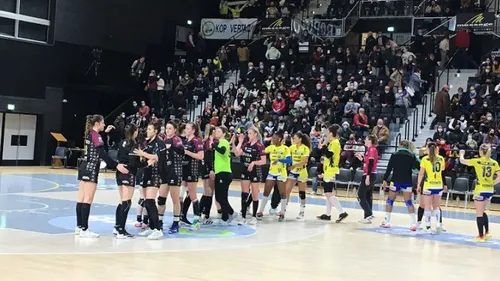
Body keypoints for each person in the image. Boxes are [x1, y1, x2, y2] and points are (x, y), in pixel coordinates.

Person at [76, 115, 129, 238]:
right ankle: (85, 229)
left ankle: (79, 227)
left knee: (81, 198)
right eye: (103, 123)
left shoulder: (90, 134)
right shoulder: (96, 136)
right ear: (98, 123)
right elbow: (102, 154)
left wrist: (104, 134)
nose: (104, 124)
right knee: (88, 199)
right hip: (91, 169)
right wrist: (116, 165)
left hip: (83, 167)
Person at [459, 145, 500, 242]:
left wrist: (461, 154)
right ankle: (487, 232)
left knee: (479, 214)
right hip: (489, 189)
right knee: (483, 211)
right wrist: (492, 183)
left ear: (481, 151)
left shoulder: (477, 161)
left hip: (480, 189)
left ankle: (480, 236)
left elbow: (462, 161)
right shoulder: (494, 163)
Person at [133, 121, 166, 240]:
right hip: (146, 173)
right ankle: (152, 228)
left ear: (156, 131)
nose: (148, 131)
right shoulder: (147, 142)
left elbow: (157, 157)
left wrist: (143, 154)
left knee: (151, 201)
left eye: (150, 129)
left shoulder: (160, 143)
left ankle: (157, 229)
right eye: (147, 129)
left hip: (155, 174)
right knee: (146, 201)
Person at [380, 140, 420, 230]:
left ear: (401, 145)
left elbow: (389, 168)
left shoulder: (394, 155)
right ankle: (413, 223)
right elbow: (417, 168)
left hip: (395, 180)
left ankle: (387, 221)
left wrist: (385, 179)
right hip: (407, 181)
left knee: (390, 200)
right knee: (408, 201)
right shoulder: (412, 156)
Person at [232, 126, 267, 225]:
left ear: (255, 134)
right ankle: (243, 216)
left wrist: (254, 163)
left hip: (255, 171)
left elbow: (263, 161)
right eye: (248, 133)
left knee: (255, 194)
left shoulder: (260, 146)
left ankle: (254, 216)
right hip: (245, 170)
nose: (249, 135)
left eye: (250, 133)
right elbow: (237, 154)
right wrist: (234, 143)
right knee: (244, 194)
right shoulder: (246, 144)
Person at [113, 124, 143, 238]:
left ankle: (117, 227)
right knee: (127, 202)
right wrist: (146, 163)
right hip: (128, 173)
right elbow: (134, 163)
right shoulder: (134, 144)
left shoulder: (122, 142)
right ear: (134, 132)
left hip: (119, 173)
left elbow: (119, 157)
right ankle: (121, 230)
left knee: (122, 201)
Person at [316, 125, 348, 222]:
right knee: (328, 193)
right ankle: (327, 214)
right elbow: (324, 153)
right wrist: (322, 146)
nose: (326, 134)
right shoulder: (332, 143)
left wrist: (324, 144)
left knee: (328, 192)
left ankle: (342, 212)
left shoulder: (335, 143)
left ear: (331, 133)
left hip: (331, 170)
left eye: (327, 132)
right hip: (328, 170)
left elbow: (329, 154)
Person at [258, 131, 290, 222]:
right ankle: (260, 211)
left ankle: (282, 213)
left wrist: (279, 160)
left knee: (282, 193)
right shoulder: (271, 147)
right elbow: (262, 151)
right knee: (266, 192)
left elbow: (289, 160)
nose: (273, 139)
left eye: (274, 138)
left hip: (281, 173)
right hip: (271, 172)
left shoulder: (285, 148)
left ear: (279, 139)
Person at [161, 121, 185, 234]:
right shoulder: (164, 140)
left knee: (175, 199)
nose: (168, 130)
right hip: (164, 173)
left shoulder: (177, 140)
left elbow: (182, 151)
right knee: (161, 199)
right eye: (167, 128)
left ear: (175, 130)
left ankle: (176, 223)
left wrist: (171, 148)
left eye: (170, 128)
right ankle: (159, 221)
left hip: (174, 172)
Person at [417, 142, 446, 233]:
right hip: (438, 185)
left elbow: (421, 173)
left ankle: (428, 227)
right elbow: (442, 171)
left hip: (428, 185)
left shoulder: (425, 159)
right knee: (436, 207)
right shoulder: (441, 158)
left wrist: (418, 185)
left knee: (428, 207)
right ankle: (437, 224)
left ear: (428, 149)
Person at [181, 122, 205, 230]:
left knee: (192, 195)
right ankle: (181, 217)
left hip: (192, 170)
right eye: (185, 128)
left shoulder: (197, 141)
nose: (186, 130)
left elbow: (201, 156)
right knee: (181, 194)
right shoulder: (185, 141)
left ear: (193, 130)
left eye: (188, 128)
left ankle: (196, 221)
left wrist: (187, 152)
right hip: (183, 170)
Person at [213, 126, 237, 225]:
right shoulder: (220, 142)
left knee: (222, 196)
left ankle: (225, 217)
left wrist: (214, 146)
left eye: (218, 131)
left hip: (224, 172)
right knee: (218, 197)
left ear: (223, 133)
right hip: (219, 172)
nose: (216, 132)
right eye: (216, 131)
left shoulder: (224, 142)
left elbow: (222, 151)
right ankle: (231, 212)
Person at [285, 132, 312, 219]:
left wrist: (294, 165)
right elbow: (286, 154)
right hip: (293, 172)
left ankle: (302, 211)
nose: (293, 140)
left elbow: (305, 161)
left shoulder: (305, 148)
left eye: (295, 138)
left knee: (301, 192)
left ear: (300, 139)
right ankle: (283, 209)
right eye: (293, 138)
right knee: (287, 190)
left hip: (302, 172)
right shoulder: (292, 147)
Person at [200, 125, 221, 224]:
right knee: (209, 192)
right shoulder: (210, 142)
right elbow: (209, 157)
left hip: (205, 168)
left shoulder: (205, 141)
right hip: (209, 169)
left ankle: (200, 214)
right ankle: (205, 215)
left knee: (207, 191)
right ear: (212, 132)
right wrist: (211, 169)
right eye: (215, 131)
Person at [357, 135, 378, 224]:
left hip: (369, 174)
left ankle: (369, 213)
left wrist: (368, 176)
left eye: (366, 139)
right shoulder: (369, 150)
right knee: (368, 195)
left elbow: (371, 163)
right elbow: (367, 163)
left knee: (360, 195)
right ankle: (367, 217)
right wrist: (361, 159)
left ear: (370, 140)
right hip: (371, 174)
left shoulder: (372, 149)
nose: (364, 140)